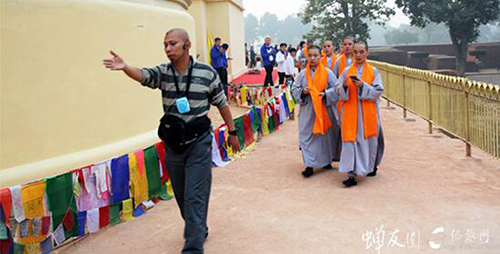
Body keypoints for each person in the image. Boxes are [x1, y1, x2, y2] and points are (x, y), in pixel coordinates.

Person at [103, 28, 241, 253]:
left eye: (173, 44)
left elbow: (222, 103)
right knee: (181, 194)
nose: (168, 48)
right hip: (174, 143)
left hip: (199, 142)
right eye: (165, 44)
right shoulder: (163, 72)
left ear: (187, 45)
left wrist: (233, 132)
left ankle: (193, 247)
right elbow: (144, 75)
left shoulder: (207, 73)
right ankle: (198, 228)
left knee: (195, 194)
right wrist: (125, 67)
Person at [330, 41, 384, 187]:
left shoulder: (373, 71)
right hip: (350, 113)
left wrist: (363, 86)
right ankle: (351, 174)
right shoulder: (346, 71)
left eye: (361, 52)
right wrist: (345, 86)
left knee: (367, 142)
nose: (358, 55)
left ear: (367, 53)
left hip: (367, 114)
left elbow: (378, 91)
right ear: (352, 53)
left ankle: (368, 167)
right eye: (356, 52)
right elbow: (337, 90)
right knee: (350, 143)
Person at [292, 45, 340, 177]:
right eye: (310, 56)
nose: (312, 58)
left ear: (321, 56)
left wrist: (325, 94)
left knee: (325, 137)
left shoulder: (328, 73)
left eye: (315, 56)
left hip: (324, 110)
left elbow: (336, 89)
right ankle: (309, 164)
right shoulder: (302, 74)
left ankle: (326, 161)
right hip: (308, 111)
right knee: (306, 136)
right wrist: (303, 92)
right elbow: (294, 89)